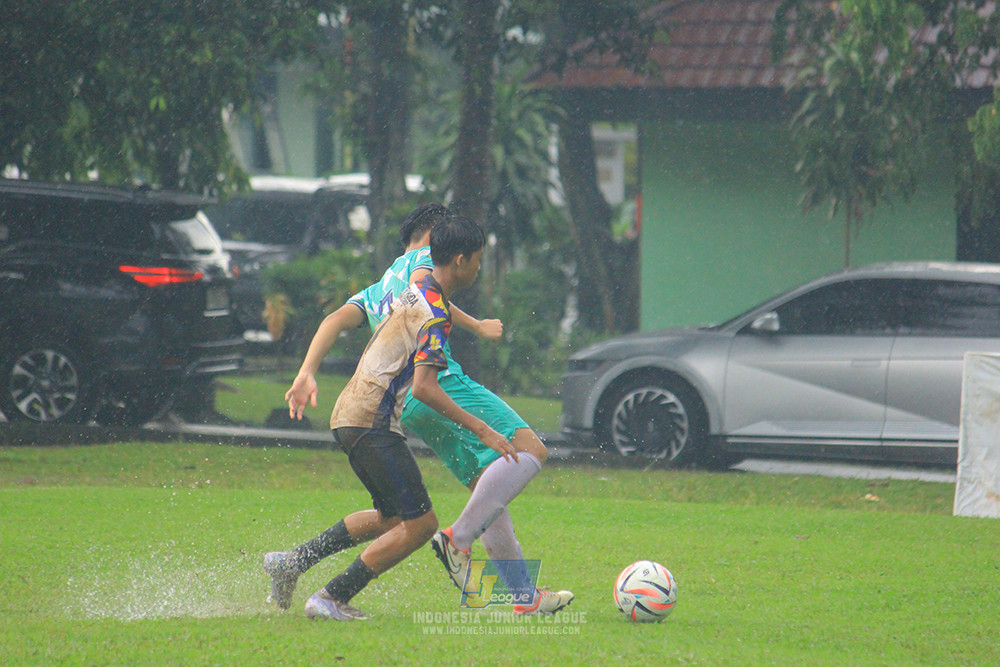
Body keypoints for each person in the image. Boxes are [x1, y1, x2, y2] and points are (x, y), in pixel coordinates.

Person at [272, 204, 572, 617]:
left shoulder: (381, 284)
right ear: (437, 238)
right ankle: (451, 542)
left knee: (481, 489)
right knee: (529, 449)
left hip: (395, 404)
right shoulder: (423, 261)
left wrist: (306, 372)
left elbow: (336, 319)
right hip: (431, 385)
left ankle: (522, 596)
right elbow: (427, 297)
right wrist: (477, 327)